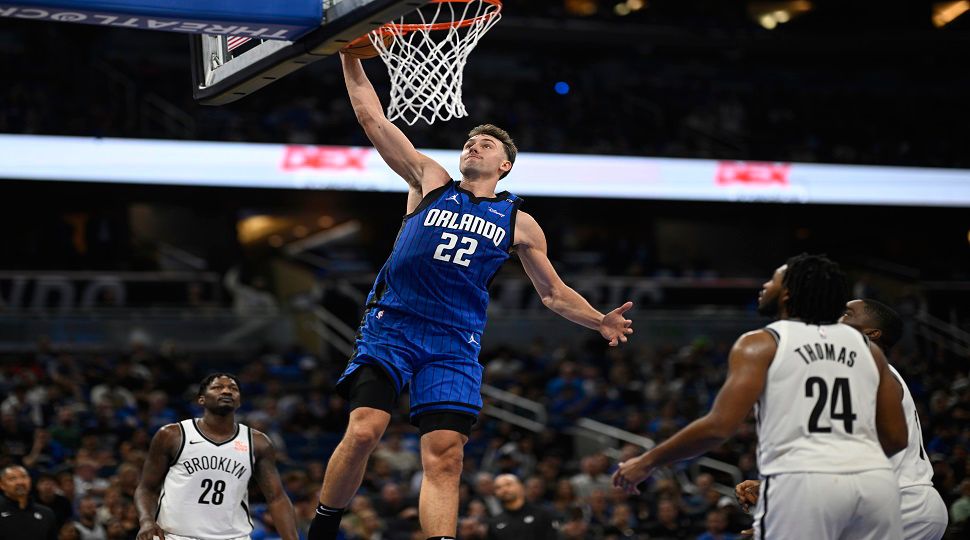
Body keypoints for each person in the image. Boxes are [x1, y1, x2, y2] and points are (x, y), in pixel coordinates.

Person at [307, 53, 635, 540]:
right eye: (469, 142)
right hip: (392, 325)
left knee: (447, 454)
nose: (472, 147)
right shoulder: (430, 181)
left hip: (453, 342)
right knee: (364, 430)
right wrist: (350, 58)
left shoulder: (518, 222)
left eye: (484, 145)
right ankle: (324, 526)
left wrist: (599, 321)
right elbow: (371, 117)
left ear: (504, 165)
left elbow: (553, 294)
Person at [612, 254, 909, 539]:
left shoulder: (761, 343)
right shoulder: (868, 351)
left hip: (804, 480)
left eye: (773, 280)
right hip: (875, 486)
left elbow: (718, 427)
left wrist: (647, 462)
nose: (765, 286)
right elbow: (896, 438)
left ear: (788, 295)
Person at [734, 298, 949, 540]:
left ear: (872, 333)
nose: (836, 319)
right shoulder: (855, 373)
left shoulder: (871, 373)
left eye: (847, 314)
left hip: (903, 504)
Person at [135, 373, 298, 540]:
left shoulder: (258, 443)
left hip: (233, 537)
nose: (227, 391)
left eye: (233, 389)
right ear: (201, 400)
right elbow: (146, 488)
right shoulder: (172, 435)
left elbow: (277, 498)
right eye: (218, 387)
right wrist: (147, 520)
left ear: (239, 401)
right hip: (174, 536)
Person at [485, 474, 557, 540]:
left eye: (508, 484)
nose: (504, 489)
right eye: (498, 487)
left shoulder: (542, 515)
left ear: (521, 486)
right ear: (495, 493)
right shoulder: (494, 522)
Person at [0, 464, 58, 540]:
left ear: (30, 481)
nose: (20, 482)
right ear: (2, 484)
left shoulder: (46, 513)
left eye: (24, 477)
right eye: (12, 478)